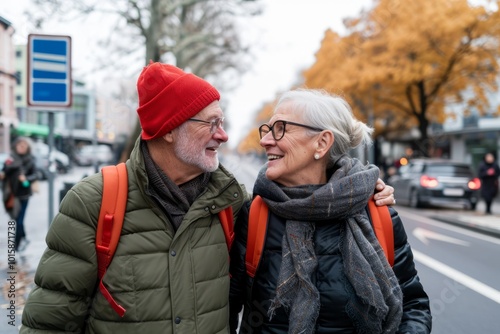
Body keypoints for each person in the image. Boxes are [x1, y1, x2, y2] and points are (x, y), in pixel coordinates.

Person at [20, 63, 395, 333]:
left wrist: (360, 190)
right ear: (169, 130)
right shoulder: (94, 202)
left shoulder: (232, 205)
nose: (225, 136)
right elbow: (48, 322)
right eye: (211, 123)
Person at [229, 89, 432, 334]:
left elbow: (413, 305)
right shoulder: (256, 215)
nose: (265, 141)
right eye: (267, 129)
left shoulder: (378, 213)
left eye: (280, 128)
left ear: (322, 142)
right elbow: (226, 309)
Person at [1, 136, 38, 252]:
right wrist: (3, 174)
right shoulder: (10, 159)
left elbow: (36, 175)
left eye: (24, 146)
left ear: (27, 148)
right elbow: (4, 172)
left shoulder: (30, 159)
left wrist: (26, 178)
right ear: (15, 146)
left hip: (24, 195)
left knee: (18, 221)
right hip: (11, 195)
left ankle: (15, 246)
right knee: (15, 219)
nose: (21, 148)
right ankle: (23, 238)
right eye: (19, 145)